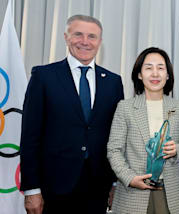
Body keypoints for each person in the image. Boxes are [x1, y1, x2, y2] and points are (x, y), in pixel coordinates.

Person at [20, 15, 124, 214]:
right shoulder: (43, 77)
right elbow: (30, 136)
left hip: (97, 186)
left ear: (99, 42)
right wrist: (31, 188)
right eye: (78, 34)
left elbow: (116, 137)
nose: (85, 41)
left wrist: (115, 183)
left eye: (92, 36)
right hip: (54, 187)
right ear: (66, 37)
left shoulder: (113, 82)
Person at [107, 47, 179, 214]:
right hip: (133, 194)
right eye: (148, 68)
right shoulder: (125, 108)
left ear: (168, 75)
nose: (155, 74)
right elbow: (114, 150)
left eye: (161, 68)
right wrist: (130, 178)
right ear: (139, 75)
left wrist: (177, 149)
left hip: (171, 195)